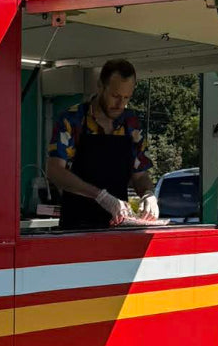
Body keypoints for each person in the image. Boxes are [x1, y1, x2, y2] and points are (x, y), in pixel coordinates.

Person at [45, 59, 158, 230]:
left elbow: (140, 175)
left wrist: (148, 194)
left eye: (126, 97)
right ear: (100, 86)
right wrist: (101, 196)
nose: (121, 104)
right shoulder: (72, 119)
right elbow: (55, 171)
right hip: (76, 227)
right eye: (115, 96)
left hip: (118, 226)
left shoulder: (131, 124)